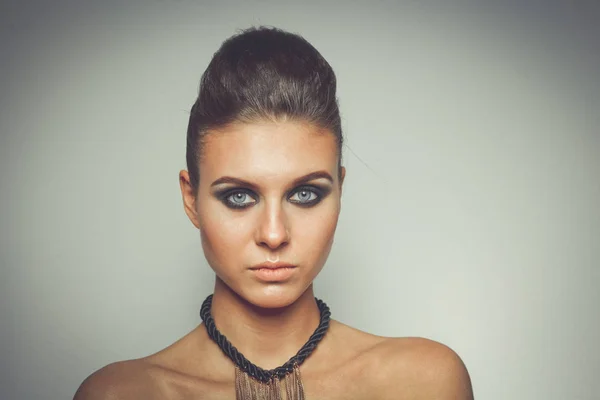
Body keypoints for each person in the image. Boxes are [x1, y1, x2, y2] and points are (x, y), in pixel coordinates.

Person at [74, 26, 474, 400]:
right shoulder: (119, 393)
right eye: (239, 197)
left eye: (304, 194)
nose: (274, 234)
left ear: (340, 190)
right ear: (191, 198)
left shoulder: (424, 382)